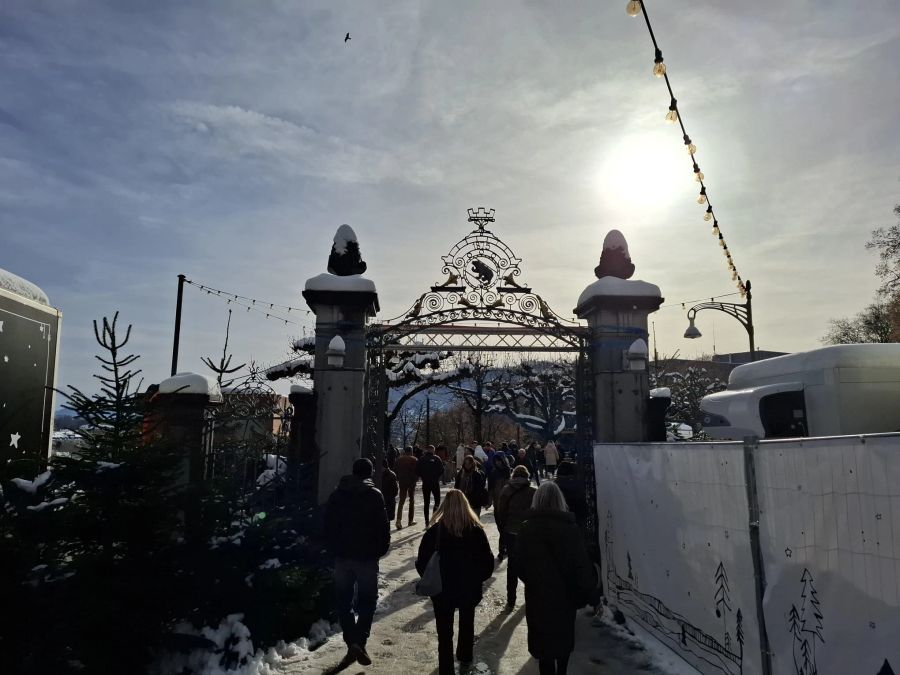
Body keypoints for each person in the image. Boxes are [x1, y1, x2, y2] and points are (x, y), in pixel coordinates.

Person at [515, 482, 598, 675]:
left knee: (544, 649)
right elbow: (581, 566)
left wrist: (533, 579)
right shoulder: (570, 528)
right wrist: (592, 596)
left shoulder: (527, 528)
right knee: (562, 643)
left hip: (538, 596)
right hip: (564, 597)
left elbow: (517, 564)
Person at [416, 490, 495, 675]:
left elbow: (422, 562)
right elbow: (487, 561)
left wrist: (431, 577)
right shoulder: (475, 531)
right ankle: (465, 656)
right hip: (469, 586)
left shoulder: (435, 531)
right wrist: (477, 578)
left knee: (444, 631)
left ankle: (446, 667)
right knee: (467, 622)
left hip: (442, 588)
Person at [324, 458, 391, 668]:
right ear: (370, 473)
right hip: (367, 557)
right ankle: (359, 641)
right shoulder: (374, 495)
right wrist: (380, 550)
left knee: (343, 600)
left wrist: (332, 548)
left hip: (343, 556)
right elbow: (383, 526)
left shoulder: (337, 494)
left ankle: (351, 639)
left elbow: (328, 524)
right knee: (368, 601)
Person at [496, 465, 537, 604]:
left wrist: (503, 529)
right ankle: (529, 596)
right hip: (528, 532)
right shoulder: (533, 492)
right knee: (530, 564)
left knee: (512, 565)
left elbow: (500, 512)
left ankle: (511, 598)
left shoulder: (506, 490)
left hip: (510, 531)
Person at [417, 444, 445, 524]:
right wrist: (436, 477)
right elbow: (442, 470)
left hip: (425, 483)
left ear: (426, 450)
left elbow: (417, 471)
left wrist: (423, 476)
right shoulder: (436, 458)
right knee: (437, 501)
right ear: (433, 450)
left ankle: (426, 521)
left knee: (426, 502)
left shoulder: (421, 459)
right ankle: (433, 518)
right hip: (434, 483)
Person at [394, 446, 418, 529]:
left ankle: (398, 520)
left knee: (401, 501)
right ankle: (410, 520)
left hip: (402, 481)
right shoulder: (414, 459)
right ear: (411, 451)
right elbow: (417, 470)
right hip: (411, 481)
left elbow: (395, 469)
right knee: (411, 500)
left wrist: (399, 477)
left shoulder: (399, 459)